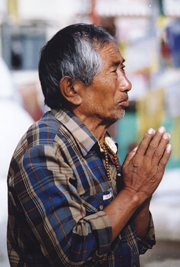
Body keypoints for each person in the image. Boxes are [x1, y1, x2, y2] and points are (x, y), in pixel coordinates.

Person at [7, 23, 171, 267]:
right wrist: (133, 192)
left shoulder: (99, 143)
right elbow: (73, 251)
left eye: (123, 69)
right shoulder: (43, 149)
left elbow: (135, 243)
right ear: (72, 89)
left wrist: (142, 194)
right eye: (114, 71)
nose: (127, 84)